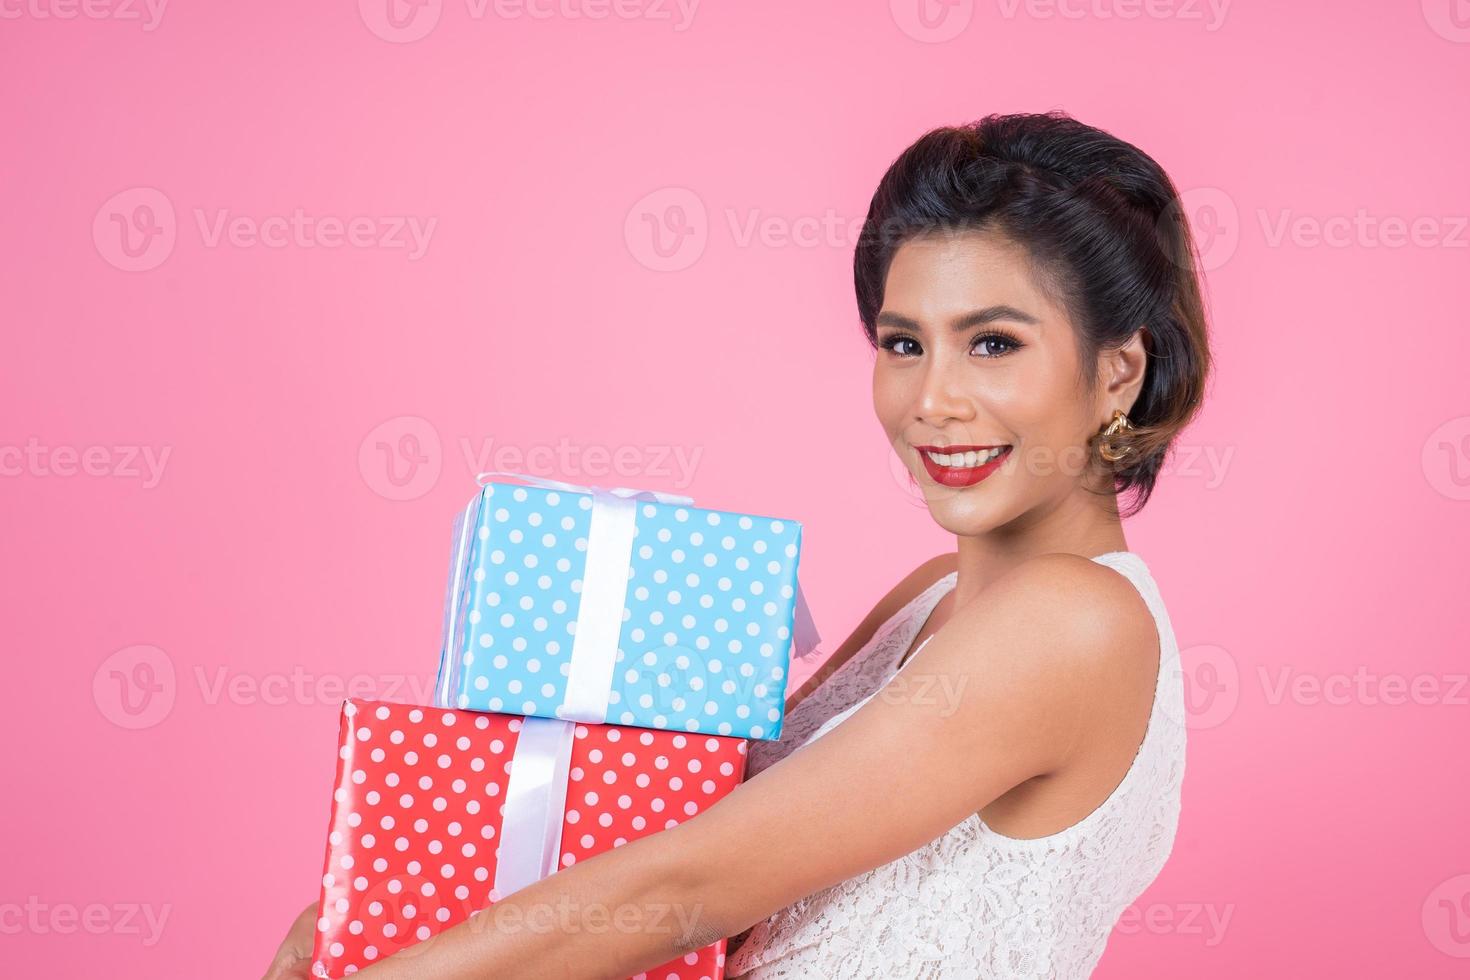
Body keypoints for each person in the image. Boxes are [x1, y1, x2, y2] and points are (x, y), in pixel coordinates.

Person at [263, 109, 1212, 980]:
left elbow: (685, 887)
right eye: (903, 343)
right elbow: (676, 812)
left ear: (1118, 370)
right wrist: (370, 918)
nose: (932, 401)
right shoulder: (933, 596)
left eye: (994, 343)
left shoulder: (1074, 622)